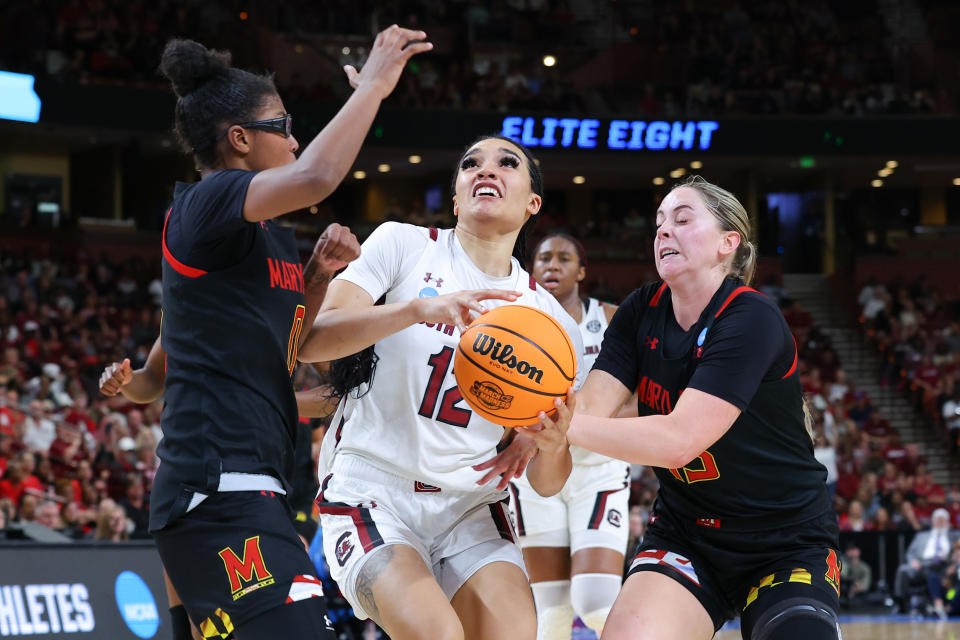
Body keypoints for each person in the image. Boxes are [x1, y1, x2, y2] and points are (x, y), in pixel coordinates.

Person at [148, 26, 430, 640]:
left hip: (253, 482)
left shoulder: (269, 232)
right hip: (216, 488)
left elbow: (287, 345)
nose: (295, 140)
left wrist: (317, 280)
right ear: (240, 140)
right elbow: (318, 176)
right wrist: (375, 88)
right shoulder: (208, 203)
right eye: (283, 126)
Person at [298, 134, 583, 640]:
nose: (486, 170)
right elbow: (312, 342)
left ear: (532, 203)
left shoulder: (556, 326)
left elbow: (545, 482)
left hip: (468, 508)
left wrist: (551, 443)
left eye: (506, 163)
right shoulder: (401, 245)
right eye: (471, 163)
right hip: (373, 490)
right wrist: (415, 309)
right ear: (455, 197)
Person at [565, 175, 842, 639]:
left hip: (784, 541)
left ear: (727, 243)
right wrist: (531, 414)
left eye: (682, 219)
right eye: (658, 223)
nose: (663, 231)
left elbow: (677, 443)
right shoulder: (640, 310)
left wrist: (559, 426)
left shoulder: (751, 316)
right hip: (687, 536)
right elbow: (589, 407)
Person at [511, 232, 632, 639]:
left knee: (596, 602)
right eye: (544, 258)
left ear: (582, 271)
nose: (552, 265)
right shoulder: (513, 323)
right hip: (535, 475)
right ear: (531, 268)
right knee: (550, 614)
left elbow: (645, 399)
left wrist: (583, 421)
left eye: (564, 258)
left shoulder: (611, 318)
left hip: (598, 471)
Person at [894, 507, 959, 616]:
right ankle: (901, 604)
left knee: (935, 575)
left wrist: (955, 565)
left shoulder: (955, 536)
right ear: (932, 521)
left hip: (944, 567)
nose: (940, 522)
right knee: (903, 569)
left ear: (947, 522)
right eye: (938, 519)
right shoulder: (921, 536)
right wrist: (913, 561)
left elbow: (958, 554)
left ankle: (943, 604)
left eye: (942, 520)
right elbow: (910, 553)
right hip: (922, 565)